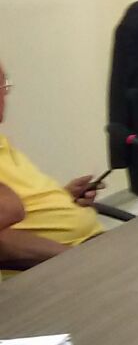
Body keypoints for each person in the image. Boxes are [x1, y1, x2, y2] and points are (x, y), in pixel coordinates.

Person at [0, 63, 103, 273]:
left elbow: (28, 199)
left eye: (4, 84)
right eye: (2, 86)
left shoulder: (3, 143)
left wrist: (64, 197)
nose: (5, 95)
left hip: (94, 245)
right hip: (59, 271)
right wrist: (78, 260)